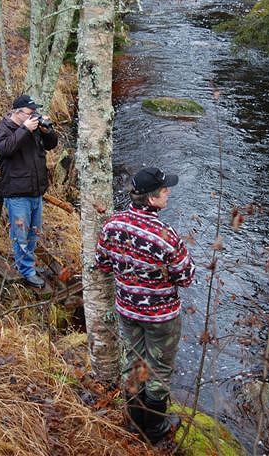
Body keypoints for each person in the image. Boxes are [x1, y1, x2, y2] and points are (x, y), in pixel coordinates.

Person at [95, 167, 195, 444]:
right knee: (159, 369)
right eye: (164, 191)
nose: (169, 193)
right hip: (161, 316)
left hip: (127, 310)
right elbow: (186, 278)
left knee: (135, 362)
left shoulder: (112, 225)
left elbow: (102, 264)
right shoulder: (165, 236)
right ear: (152, 200)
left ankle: (134, 422)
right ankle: (155, 429)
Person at [0, 94, 58, 288]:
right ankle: (26, 272)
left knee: (33, 233)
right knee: (20, 235)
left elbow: (51, 145)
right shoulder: (1, 128)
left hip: (36, 191)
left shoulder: (34, 127)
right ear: (17, 112)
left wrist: (47, 130)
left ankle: (27, 266)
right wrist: (24, 130)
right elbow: (5, 149)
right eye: (30, 113)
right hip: (17, 193)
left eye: (35, 112)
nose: (34, 116)